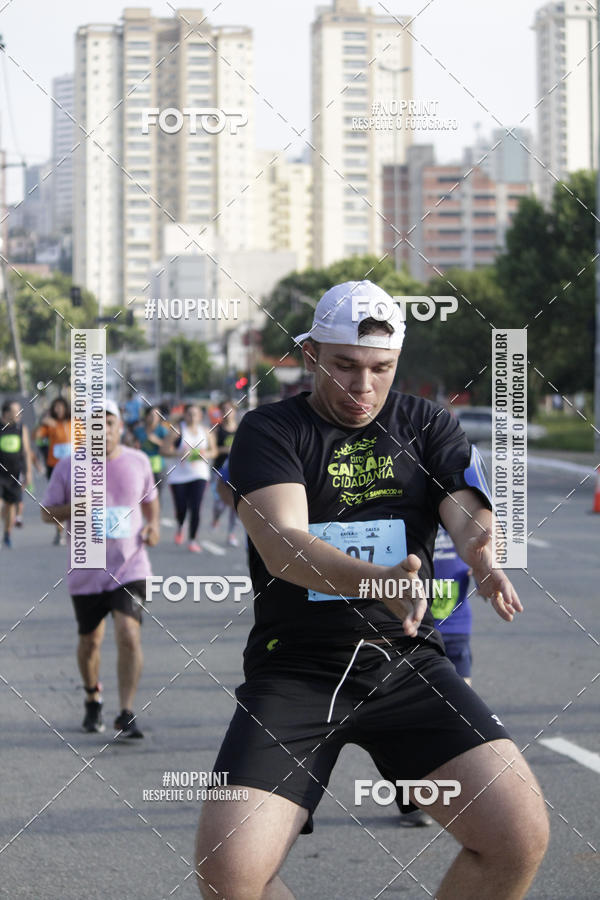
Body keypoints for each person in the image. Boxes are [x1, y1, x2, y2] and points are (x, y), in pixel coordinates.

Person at [195, 281, 548, 900]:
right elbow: (282, 546)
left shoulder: (426, 422)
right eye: (345, 367)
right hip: (296, 671)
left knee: (518, 835)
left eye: (381, 369)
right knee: (230, 875)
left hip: (404, 661)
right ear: (311, 356)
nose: (363, 388)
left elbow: (463, 510)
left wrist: (480, 549)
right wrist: (378, 581)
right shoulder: (269, 429)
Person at [41, 400, 159, 739]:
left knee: (128, 633)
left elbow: (151, 503)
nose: (103, 430)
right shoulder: (68, 467)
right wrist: (74, 506)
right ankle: (93, 696)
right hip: (87, 568)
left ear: (119, 427)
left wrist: (154, 527)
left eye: (109, 423)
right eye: (96, 424)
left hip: (131, 566)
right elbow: (46, 514)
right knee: (90, 641)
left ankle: (126, 712)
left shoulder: (137, 461)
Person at [397, 524, 474, 827]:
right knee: (412, 720)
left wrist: (487, 566)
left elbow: (495, 545)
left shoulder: (464, 503)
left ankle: (454, 792)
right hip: (414, 633)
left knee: (458, 718)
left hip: (456, 632)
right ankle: (412, 800)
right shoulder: (406, 505)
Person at [163, 402, 216, 553]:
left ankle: (192, 539)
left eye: (195, 414)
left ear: (200, 416)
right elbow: (164, 450)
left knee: (196, 507)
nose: (192, 417)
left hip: (199, 474)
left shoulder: (206, 431)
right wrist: (179, 454)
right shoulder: (177, 431)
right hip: (178, 476)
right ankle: (180, 525)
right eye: (189, 413)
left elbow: (214, 451)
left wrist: (205, 454)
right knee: (181, 508)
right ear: (184, 415)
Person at [36, 397, 72, 545]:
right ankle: (59, 531)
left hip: (73, 467)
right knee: (58, 501)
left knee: (72, 498)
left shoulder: (73, 424)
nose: (58, 410)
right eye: (55, 407)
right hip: (54, 466)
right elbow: (37, 437)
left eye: (61, 407)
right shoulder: (49, 425)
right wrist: (42, 422)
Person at [0, 400, 34, 547]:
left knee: (11, 505)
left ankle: (7, 534)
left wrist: (29, 473)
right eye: (16, 411)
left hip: (15, 474)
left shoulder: (21, 428)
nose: (19, 414)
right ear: (6, 413)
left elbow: (26, 452)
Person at [211, 400, 239, 546]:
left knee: (235, 504)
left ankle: (231, 534)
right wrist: (227, 450)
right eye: (224, 410)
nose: (227, 413)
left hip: (236, 471)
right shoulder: (217, 429)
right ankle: (216, 518)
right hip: (219, 471)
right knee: (220, 504)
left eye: (230, 409)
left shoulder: (241, 428)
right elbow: (213, 449)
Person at [133, 406, 168, 498]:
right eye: (151, 415)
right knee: (141, 493)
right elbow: (133, 445)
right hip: (141, 466)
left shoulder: (162, 430)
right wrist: (135, 446)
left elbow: (168, 448)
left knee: (157, 495)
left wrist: (157, 441)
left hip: (158, 467)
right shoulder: (138, 430)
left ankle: (157, 511)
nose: (154, 418)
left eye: (157, 416)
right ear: (146, 416)